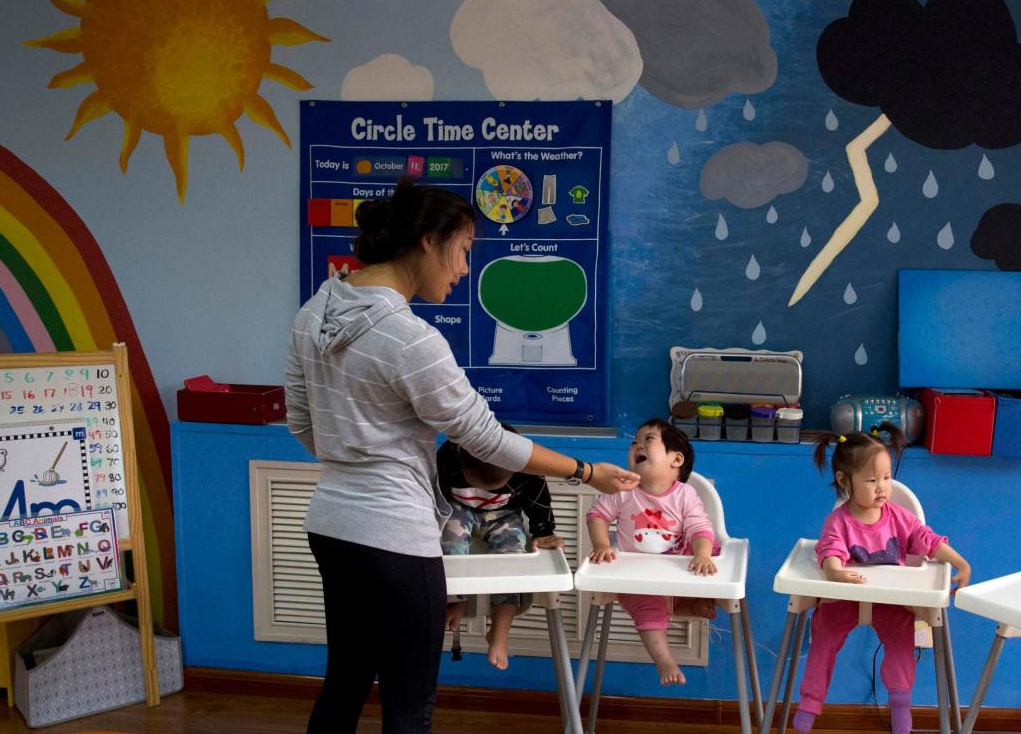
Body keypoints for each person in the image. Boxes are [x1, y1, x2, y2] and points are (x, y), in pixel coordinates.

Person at [285, 177, 639, 734]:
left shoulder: (315, 312)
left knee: (347, 680)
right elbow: (487, 439)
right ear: (428, 240)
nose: (465, 269)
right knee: (408, 707)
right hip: (395, 536)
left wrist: (354, 461)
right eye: (465, 251)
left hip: (331, 524)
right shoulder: (410, 338)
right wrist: (586, 472)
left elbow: (302, 421)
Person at [792, 422, 972, 734]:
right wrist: (834, 572)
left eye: (887, 478)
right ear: (844, 481)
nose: (882, 488)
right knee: (824, 636)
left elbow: (927, 539)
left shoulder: (899, 517)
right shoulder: (839, 521)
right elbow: (831, 550)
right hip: (846, 595)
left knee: (901, 643)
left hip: (890, 599)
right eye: (872, 480)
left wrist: (960, 562)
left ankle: (900, 703)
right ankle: (809, 703)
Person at [585, 418, 717, 685]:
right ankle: (664, 660)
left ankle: (693, 600)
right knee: (648, 609)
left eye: (648, 440)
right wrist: (601, 544)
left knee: (712, 547)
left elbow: (699, 527)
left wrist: (701, 554)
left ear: (675, 460)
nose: (638, 445)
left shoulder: (685, 495)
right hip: (638, 577)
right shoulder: (622, 489)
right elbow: (597, 514)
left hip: (678, 569)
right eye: (634, 441)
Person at [438, 427, 563, 670]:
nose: (488, 491)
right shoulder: (448, 458)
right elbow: (434, 494)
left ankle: (499, 630)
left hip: (504, 514)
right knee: (449, 543)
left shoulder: (528, 471)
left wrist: (543, 531)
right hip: (459, 508)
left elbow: (539, 501)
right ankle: (456, 600)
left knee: (511, 563)